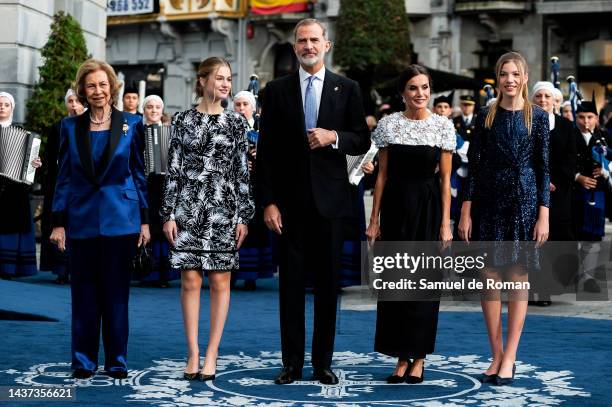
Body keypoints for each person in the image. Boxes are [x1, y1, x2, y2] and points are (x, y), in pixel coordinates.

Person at [257, 18, 370, 385]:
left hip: (331, 205)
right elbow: (267, 153)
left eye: (314, 40)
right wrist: (269, 203)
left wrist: (332, 136)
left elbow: (361, 140)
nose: (308, 46)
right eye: (302, 41)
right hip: (288, 208)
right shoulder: (275, 91)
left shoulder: (347, 88)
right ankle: (291, 363)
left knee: (327, 287)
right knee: (288, 288)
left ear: (327, 45)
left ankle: (323, 363)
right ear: (294, 48)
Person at [50, 59, 150, 379]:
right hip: (80, 219)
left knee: (116, 294)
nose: (98, 91)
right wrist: (58, 222)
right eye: (91, 85)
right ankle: (83, 361)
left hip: (121, 218)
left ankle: (117, 361)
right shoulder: (69, 127)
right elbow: (63, 176)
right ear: (82, 90)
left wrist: (145, 220)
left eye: (103, 84)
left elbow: (138, 173)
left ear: (112, 87)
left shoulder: (132, 123)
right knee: (84, 294)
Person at [458, 52, 550, 386]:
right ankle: (495, 354)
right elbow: (472, 167)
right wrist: (465, 210)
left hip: (524, 199)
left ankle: (510, 356)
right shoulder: (485, 115)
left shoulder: (537, 117)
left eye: (515, 74)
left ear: (525, 77)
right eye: (504, 74)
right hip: (488, 200)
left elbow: (543, 167)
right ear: (497, 79)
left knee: (517, 277)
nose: (509, 79)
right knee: (489, 276)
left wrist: (544, 213)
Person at [160, 57, 254, 381]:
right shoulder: (183, 120)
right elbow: (173, 169)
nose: (225, 84)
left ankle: (212, 353)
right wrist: (168, 213)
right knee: (190, 280)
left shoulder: (237, 123)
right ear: (201, 81)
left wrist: (244, 214)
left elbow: (242, 172)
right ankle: (193, 352)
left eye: (228, 78)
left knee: (219, 280)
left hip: (224, 207)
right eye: (219, 78)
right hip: (188, 205)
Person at [366, 65, 455, 384]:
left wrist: (446, 223)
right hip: (396, 208)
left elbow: (445, 180)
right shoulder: (389, 126)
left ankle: (418, 357)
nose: (421, 94)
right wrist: (374, 220)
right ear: (402, 92)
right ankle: (400, 357)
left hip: (429, 210)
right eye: (414, 88)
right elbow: (382, 176)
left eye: (425, 88)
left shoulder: (443, 126)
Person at [531, 81, 577, 305]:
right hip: (529, 191)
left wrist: (554, 181)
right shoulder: (524, 123)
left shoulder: (566, 126)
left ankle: (548, 289)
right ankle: (530, 290)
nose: (543, 101)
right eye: (538, 96)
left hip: (557, 194)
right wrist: (536, 180)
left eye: (547, 97)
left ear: (554, 100)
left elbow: (571, 159)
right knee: (532, 240)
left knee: (552, 241)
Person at [40, 89, 85, 283]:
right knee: (61, 224)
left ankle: (79, 269)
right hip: (61, 183)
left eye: (77, 101)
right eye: (70, 101)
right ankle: (60, 269)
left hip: (82, 185)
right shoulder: (57, 127)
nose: (74, 104)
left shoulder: (91, 125)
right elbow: (50, 158)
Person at [232, 90, 274, 290]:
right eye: (238, 104)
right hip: (231, 187)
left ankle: (251, 274)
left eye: (244, 105)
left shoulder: (263, 128)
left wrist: (261, 156)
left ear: (252, 107)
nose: (241, 108)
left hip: (255, 186)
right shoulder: (226, 127)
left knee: (254, 227)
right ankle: (229, 272)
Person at [0, 92, 42, 279]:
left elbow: (31, 165)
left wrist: (36, 164)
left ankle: (11, 268)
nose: (2, 107)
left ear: (12, 108)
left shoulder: (23, 132)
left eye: (6, 105)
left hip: (15, 188)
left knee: (15, 223)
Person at [572, 94, 611, 293]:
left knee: (594, 236)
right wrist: (578, 176)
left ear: (596, 118)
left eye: (589, 117)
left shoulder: (604, 137)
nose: (585, 121)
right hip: (573, 193)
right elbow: (559, 163)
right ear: (575, 117)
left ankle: (588, 276)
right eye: (581, 117)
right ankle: (573, 273)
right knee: (575, 235)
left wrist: (605, 170)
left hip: (598, 193)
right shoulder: (568, 135)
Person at [140, 94, 180, 288]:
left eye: (157, 107)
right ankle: (145, 270)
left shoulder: (170, 132)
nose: (154, 110)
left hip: (164, 185)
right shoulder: (137, 132)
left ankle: (164, 273)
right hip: (144, 184)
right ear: (144, 110)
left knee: (164, 224)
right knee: (147, 223)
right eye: (149, 107)